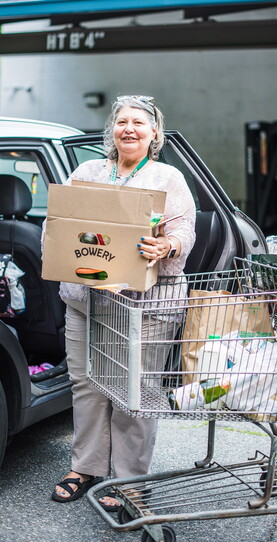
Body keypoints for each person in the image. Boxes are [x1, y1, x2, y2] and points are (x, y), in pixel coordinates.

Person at [49, 95, 196, 510]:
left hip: (145, 307)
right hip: (87, 301)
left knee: (137, 390)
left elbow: (185, 230)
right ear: (112, 131)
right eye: (121, 122)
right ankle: (86, 466)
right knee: (86, 384)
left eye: (138, 123)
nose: (128, 129)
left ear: (154, 133)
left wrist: (165, 244)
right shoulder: (88, 171)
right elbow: (61, 224)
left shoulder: (168, 177)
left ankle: (131, 478)